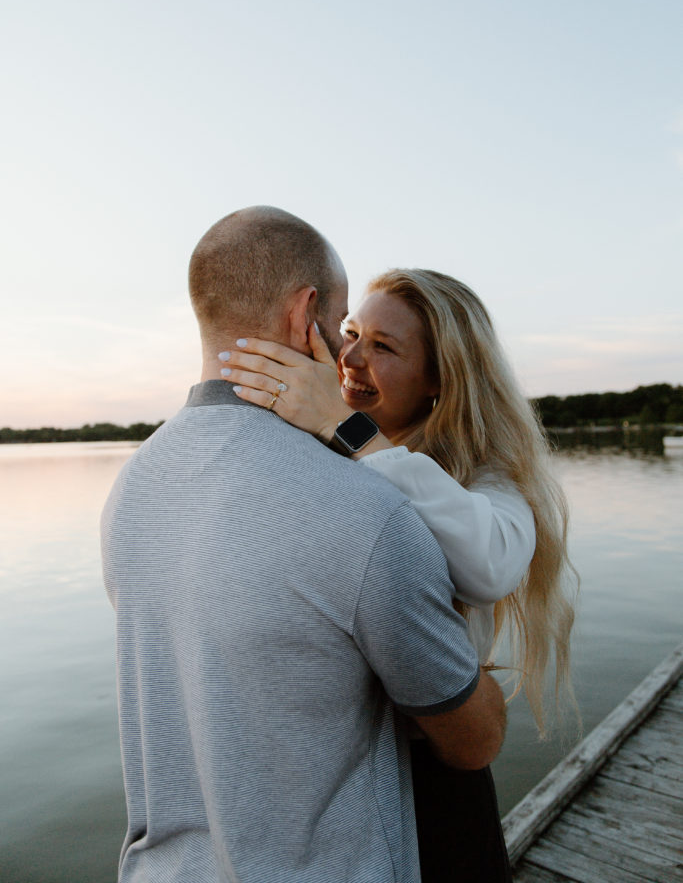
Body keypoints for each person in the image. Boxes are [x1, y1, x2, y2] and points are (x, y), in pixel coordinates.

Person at [101, 208, 507, 883]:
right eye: (344, 323)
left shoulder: (132, 487)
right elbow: (474, 742)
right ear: (305, 314)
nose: (348, 355)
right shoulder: (367, 512)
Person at [219, 267, 577, 883]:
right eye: (350, 332)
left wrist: (349, 429)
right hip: (324, 771)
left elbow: (489, 567)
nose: (350, 358)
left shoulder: (483, 474)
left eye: (383, 347)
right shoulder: (314, 452)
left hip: (434, 771)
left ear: (441, 377)